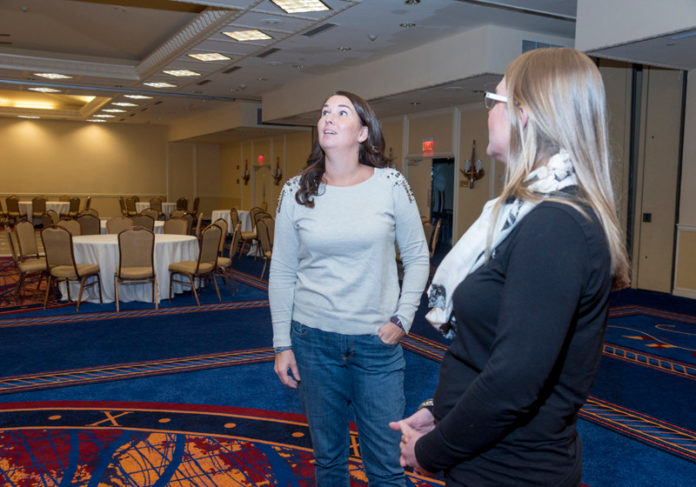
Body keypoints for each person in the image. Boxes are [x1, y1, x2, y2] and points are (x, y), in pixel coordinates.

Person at [390, 47, 630, 486]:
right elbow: (492, 351)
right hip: (491, 452)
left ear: (524, 114)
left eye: (492, 101)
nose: (487, 113)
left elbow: (514, 383)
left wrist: (431, 451)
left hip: (511, 469)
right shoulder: (525, 214)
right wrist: (438, 411)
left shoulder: (556, 225)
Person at [270, 90, 430, 486]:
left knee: (386, 466)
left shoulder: (391, 184)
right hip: (313, 341)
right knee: (329, 461)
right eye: (324, 111)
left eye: (342, 112)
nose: (328, 118)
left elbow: (417, 257)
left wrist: (403, 317)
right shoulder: (295, 190)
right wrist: (281, 343)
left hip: (377, 344)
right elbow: (282, 271)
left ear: (362, 133)